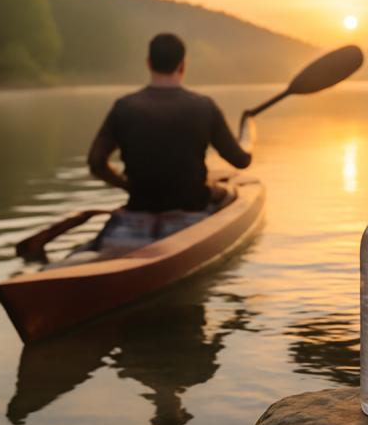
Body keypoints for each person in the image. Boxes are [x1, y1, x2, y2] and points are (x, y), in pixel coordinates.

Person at [79, 32, 256, 259]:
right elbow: (241, 161)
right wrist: (250, 132)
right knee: (231, 195)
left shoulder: (124, 107)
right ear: (183, 65)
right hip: (193, 204)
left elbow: (96, 163)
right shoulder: (204, 106)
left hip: (140, 204)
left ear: (149, 63)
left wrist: (128, 186)